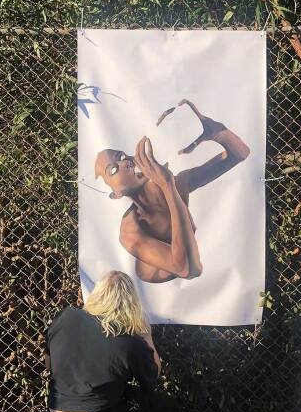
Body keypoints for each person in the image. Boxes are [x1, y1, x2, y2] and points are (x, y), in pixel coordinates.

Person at [93, 99, 250, 283]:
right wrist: (167, 184)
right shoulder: (130, 231)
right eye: (113, 169)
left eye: (120, 156)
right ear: (115, 194)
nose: (124, 162)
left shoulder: (176, 183)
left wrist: (218, 132)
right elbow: (188, 269)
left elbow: (240, 153)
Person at [44, 271, 165, 412]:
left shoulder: (66, 317)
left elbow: (49, 365)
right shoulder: (130, 340)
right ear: (132, 302)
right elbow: (152, 376)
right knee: (153, 402)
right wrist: (147, 336)